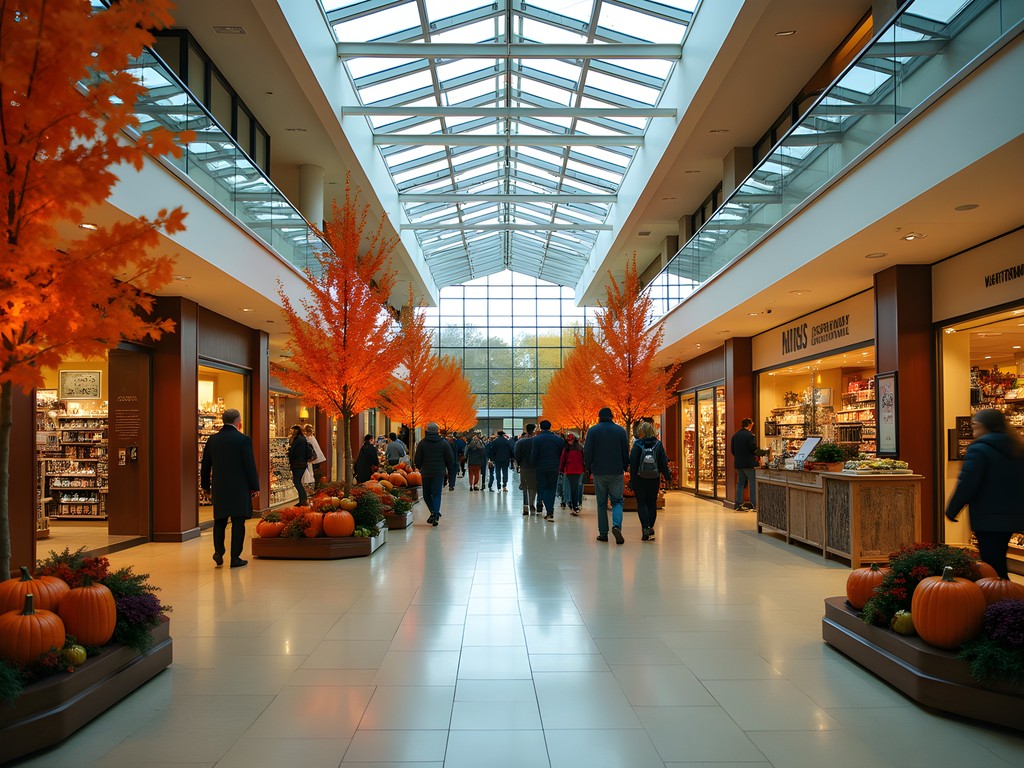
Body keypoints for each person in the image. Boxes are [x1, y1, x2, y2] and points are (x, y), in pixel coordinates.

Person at [945, 409, 1024, 579]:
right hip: (1013, 514)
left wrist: (952, 508)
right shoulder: (1017, 448)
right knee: (998, 559)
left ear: (985, 427)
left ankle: (1003, 600)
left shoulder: (979, 449)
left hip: (988, 517)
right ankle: (1005, 598)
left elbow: (967, 483)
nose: (973, 430)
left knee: (992, 564)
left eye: (975, 426)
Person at [200, 409, 259, 568]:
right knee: (238, 522)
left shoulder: (213, 440)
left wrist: (205, 486)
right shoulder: (243, 440)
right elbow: (249, 465)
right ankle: (235, 558)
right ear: (237, 421)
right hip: (239, 487)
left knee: (219, 521)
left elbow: (205, 466)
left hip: (220, 486)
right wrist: (254, 486)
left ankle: (219, 552)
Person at [584, 407, 629, 544]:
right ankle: (616, 526)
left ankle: (603, 533)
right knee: (617, 501)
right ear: (612, 416)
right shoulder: (620, 431)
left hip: (599, 471)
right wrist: (624, 466)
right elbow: (625, 450)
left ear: (599, 416)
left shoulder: (592, 431)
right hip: (616, 471)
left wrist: (588, 468)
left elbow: (588, 451)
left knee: (601, 503)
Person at [629, 421, 672, 541]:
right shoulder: (658, 445)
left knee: (642, 503)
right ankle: (651, 527)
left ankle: (644, 528)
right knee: (652, 503)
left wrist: (632, 480)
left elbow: (633, 464)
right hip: (654, 478)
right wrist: (667, 476)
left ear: (641, 432)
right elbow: (663, 463)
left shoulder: (637, 445)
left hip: (639, 478)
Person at [415, 422, 456, 526]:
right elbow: (450, 458)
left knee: (426, 495)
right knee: (437, 494)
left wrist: (419, 467)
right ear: (437, 431)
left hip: (426, 472)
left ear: (427, 431)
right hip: (439, 472)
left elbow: (417, 459)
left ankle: (434, 512)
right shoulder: (444, 443)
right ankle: (435, 513)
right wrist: (447, 467)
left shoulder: (422, 443)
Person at [531, 420, 565, 522]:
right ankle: (550, 510)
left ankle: (550, 510)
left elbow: (534, 455)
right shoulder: (558, 439)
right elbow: (561, 453)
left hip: (541, 467)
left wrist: (533, 463)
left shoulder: (537, 439)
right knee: (552, 488)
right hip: (554, 466)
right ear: (550, 427)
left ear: (540, 427)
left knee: (543, 488)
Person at [731, 418, 767, 511]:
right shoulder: (750, 436)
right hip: (749, 464)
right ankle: (754, 504)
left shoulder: (735, 435)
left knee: (740, 483)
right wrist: (764, 453)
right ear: (749, 424)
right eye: (752, 423)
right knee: (752, 483)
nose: (753, 425)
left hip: (739, 464)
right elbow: (754, 449)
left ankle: (738, 504)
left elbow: (732, 450)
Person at [515, 424, 539, 515]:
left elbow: (517, 455)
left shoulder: (520, 442)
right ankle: (531, 503)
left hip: (524, 467)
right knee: (533, 486)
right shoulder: (536, 441)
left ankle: (525, 505)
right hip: (534, 467)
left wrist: (519, 464)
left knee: (525, 486)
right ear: (534, 430)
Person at [560, 431, 585, 515]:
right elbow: (583, 460)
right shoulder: (580, 448)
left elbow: (563, 459)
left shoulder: (566, 449)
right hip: (578, 470)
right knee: (576, 487)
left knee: (570, 488)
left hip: (569, 470)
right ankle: (576, 505)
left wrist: (561, 469)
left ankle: (572, 504)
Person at [286, 424, 312, 506]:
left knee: (297, 481)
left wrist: (289, 451)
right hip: (300, 463)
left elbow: (296, 452)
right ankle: (302, 500)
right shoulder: (301, 439)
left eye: (293, 430)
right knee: (298, 481)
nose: (292, 432)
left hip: (298, 464)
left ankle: (303, 501)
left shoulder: (299, 440)